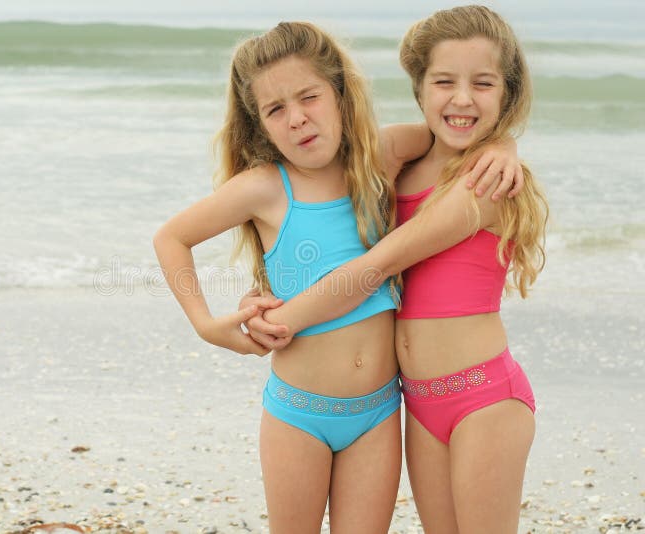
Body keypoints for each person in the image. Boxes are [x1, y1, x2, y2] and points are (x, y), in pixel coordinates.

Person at [154, 21, 521, 534]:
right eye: (276, 109)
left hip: (378, 413)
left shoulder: (381, 158)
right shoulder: (263, 186)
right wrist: (204, 323)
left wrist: (504, 149)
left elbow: (456, 139)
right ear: (260, 124)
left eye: (310, 97)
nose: (298, 119)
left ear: (341, 95)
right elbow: (171, 238)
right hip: (297, 412)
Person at [242, 7, 548, 534]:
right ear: (419, 87)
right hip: (417, 402)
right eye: (444, 81)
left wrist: (285, 319)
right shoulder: (398, 159)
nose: (461, 99)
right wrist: (270, 289)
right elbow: (319, 214)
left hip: (484, 399)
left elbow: (376, 265)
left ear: (507, 92)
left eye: (483, 84)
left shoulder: (487, 184)